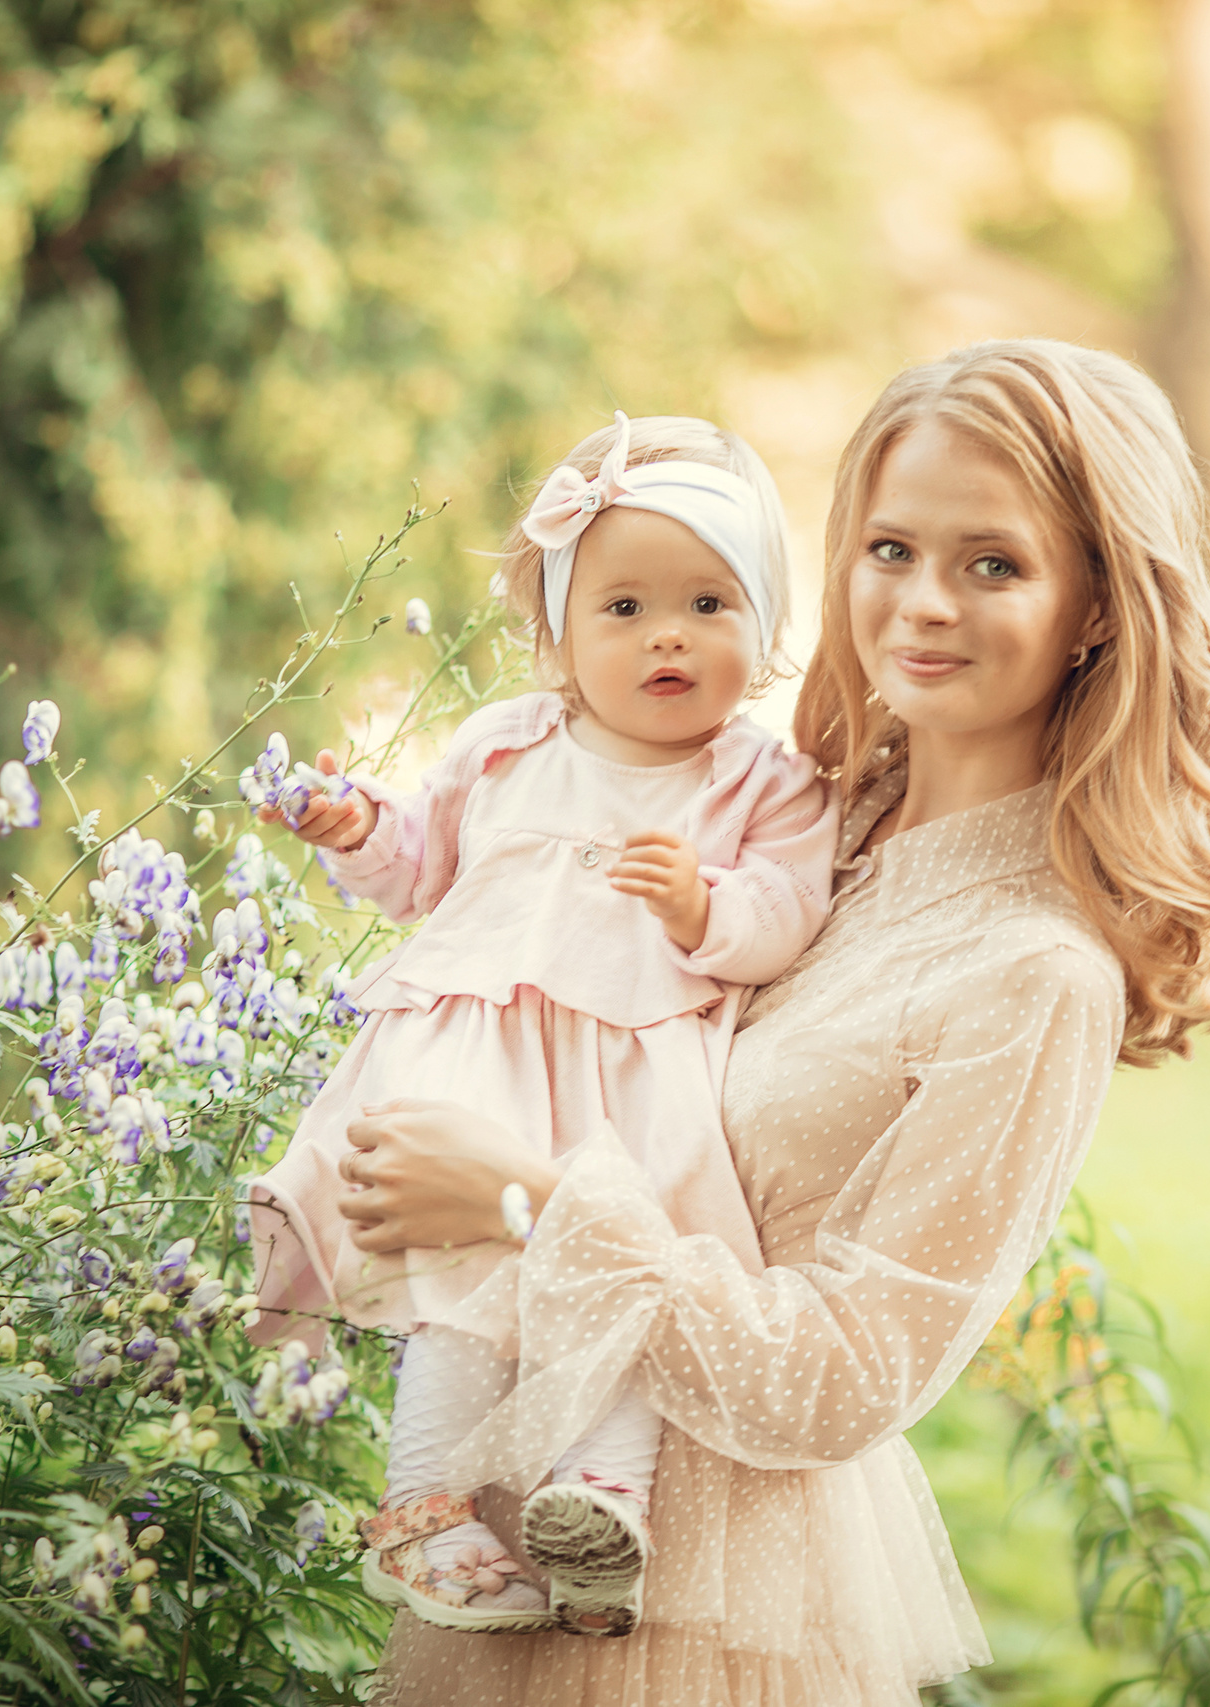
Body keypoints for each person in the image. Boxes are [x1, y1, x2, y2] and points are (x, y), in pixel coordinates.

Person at [326, 340, 1210, 1704]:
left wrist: (527, 1205)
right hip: (508, 1532)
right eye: (891, 549)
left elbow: (842, 1379)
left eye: (994, 563)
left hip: (716, 1601)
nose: (923, 603)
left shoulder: (1032, 974)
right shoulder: (779, 826)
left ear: (1094, 606)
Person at [247, 413, 838, 1637]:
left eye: (708, 604)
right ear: (559, 635)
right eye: (623, 607)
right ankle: (421, 1507)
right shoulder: (507, 746)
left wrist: (703, 905)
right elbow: (421, 869)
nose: (667, 633)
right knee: (472, 1284)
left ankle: (602, 1499)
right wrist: (358, 830)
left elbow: (788, 910)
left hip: (636, 1077)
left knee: (622, 1260)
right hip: (475, 1068)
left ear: (764, 624)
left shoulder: (760, 780)